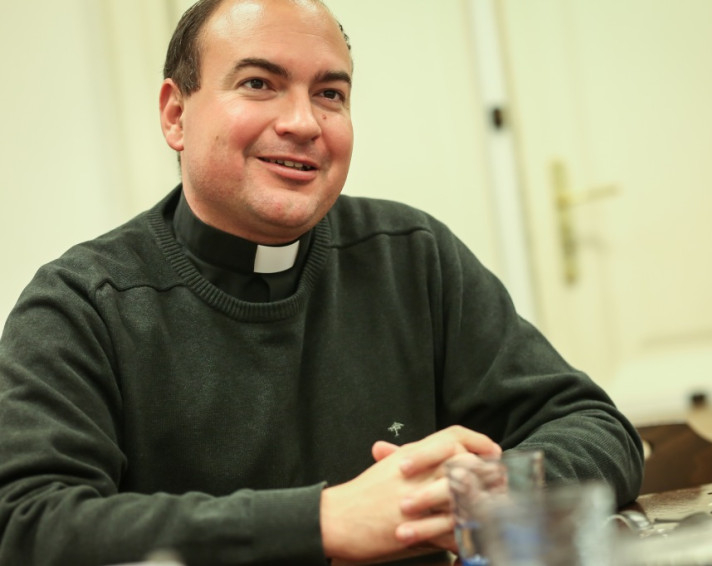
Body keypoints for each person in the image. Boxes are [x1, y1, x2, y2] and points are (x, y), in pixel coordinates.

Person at [0, 0, 644, 564]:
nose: (304, 123)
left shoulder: (412, 255)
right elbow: (27, 524)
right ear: (175, 114)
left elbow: (595, 427)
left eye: (330, 94)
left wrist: (482, 491)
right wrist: (324, 521)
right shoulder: (81, 306)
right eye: (259, 84)